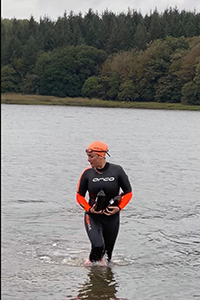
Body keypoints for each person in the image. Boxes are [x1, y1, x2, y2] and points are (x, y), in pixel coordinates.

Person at [76, 141, 132, 266]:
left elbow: (128, 192)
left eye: (91, 157)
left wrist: (119, 208)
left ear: (101, 156)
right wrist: (90, 209)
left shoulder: (117, 170)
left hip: (111, 217)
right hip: (93, 216)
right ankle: (91, 272)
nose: (89, 160)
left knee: (107, 256)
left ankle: (104, 282)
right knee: (97, 245)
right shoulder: (87, 174)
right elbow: (79, 196)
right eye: (88, 157)